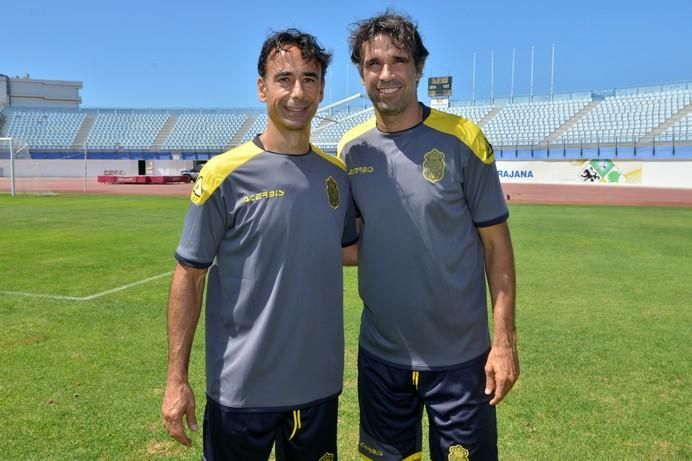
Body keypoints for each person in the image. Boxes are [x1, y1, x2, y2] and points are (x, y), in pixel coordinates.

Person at [162, 29, 356, 461]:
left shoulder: (336, 176)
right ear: (262, 87)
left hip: (317, 388)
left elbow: (349, 250)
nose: (297, 92)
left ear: (323, 89)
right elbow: (189, 276)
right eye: (284, 78)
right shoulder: (221, 174)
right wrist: (177, 379)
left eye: (309, 78)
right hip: (241, 391)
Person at [338, 12, 519, 461]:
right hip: (381, 357)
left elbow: (496, 246)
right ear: (361, 72)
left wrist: (504, 343)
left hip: (460, 361)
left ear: (419, 68)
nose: (386, 74)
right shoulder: (351, 149)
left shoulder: (463, 139)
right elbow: (354, 244)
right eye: (373, 63)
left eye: (398, 61)